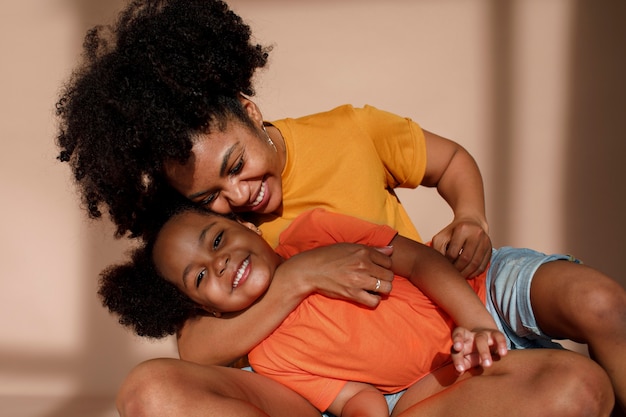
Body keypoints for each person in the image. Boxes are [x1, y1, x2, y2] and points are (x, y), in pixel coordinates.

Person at [55, 0, 626, 413]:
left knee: (601, 303)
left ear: (252, 112)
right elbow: (197, 345)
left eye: (234, 166)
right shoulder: (210, 232)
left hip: (458, 291)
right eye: (209, 199)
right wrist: (296, 279)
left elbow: (447, 169)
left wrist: (471, 216)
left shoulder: (347, 134)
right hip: (382, 379)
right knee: (572, 389)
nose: (234, 200)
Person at [99, 204, 613, 417]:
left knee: (598, 306)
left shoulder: (314, 232)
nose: (220, 261)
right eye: (200, 276)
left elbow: (419, 260)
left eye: (216, 239)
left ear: (248, 227)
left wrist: (475, 320)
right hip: (435, 380)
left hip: (475, 301)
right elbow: (356, 399)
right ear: (200, 306)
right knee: (580, 389)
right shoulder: (269, 351)